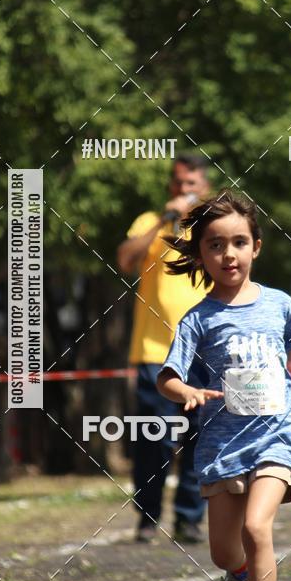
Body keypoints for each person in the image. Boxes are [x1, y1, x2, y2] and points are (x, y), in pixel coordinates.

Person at [156, 189, 291, 581]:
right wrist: (187, 394)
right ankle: (237, 574)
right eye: (215, 245)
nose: (227, 254)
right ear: (200, 254)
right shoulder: (198, 319)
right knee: (222, 551)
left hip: (278, 435)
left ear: (256, 246)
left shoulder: (278, 304)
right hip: (220, 445)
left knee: (259, 528)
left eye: (238, 242)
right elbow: (168, 377)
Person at [117, 154, 210, 544]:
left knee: (198, 438)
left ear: (204, 187)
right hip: (155, 351)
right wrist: (162, 221)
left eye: (190, 184)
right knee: (152, 440)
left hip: (203, 351)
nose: (182, 190)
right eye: (177, 183)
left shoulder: (212, 227)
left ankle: (189, 517)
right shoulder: (148, 222)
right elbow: (125, 259)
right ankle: (147, 517)